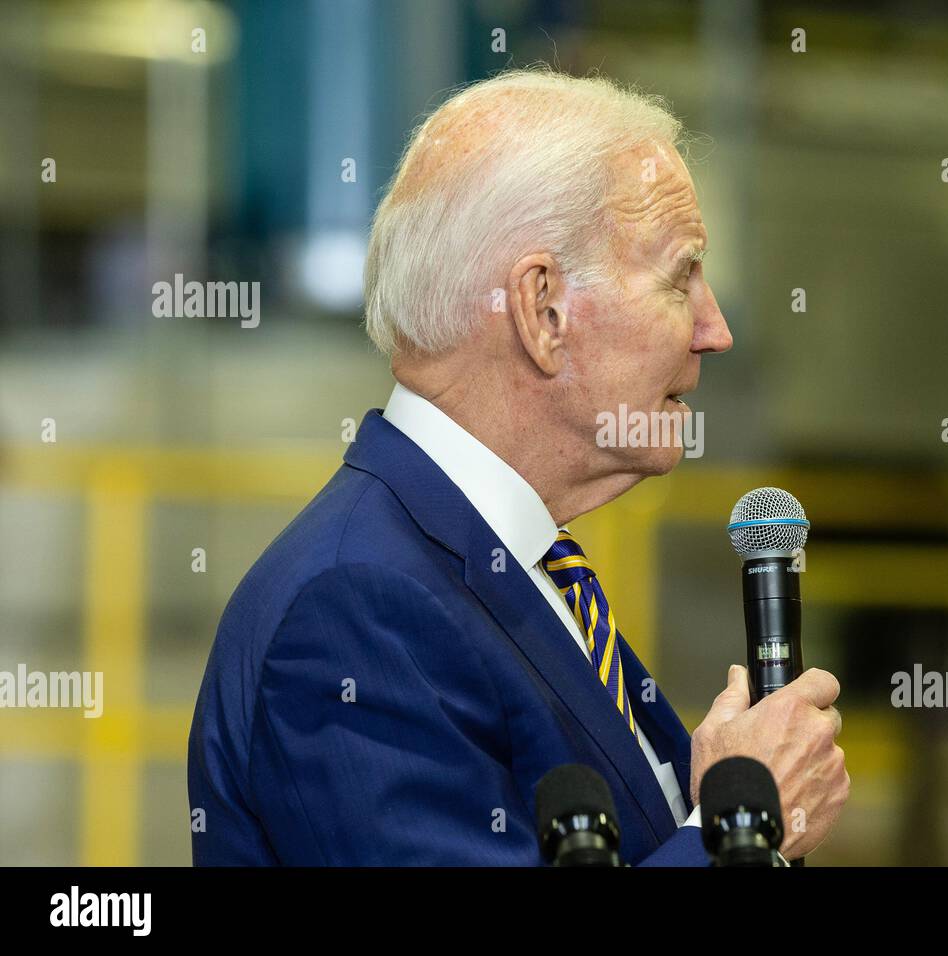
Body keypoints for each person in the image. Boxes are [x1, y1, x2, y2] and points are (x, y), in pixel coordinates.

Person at [188, 67, 849, 865]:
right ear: (542, 311)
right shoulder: (355, 612)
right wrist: (742, 829)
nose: (715, 330)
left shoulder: (508, 567)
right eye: (682, 276)